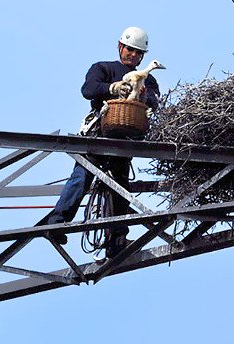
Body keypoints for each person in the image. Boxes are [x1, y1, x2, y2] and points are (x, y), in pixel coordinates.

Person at [43, 26, 161, 259]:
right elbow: (88, 90)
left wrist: (143, 95)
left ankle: (116, 241)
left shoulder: (149, 79)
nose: (134, 55)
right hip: (99, 134)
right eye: (130, 50)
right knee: (81, 178)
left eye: (139, 53)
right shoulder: (103, 68)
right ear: (120, 46)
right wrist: (112, 88)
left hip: (124, 139)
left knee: (119, 188)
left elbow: (155, 101)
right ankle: (56, 224)